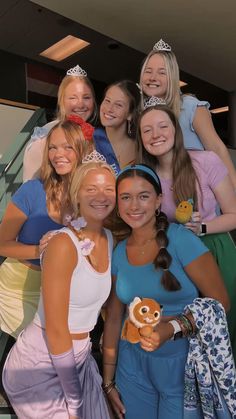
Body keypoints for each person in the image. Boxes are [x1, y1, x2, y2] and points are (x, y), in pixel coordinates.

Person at [102, 164, 231, 419]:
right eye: (125, 197)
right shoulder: (118, 252)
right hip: (132, 367)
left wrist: (170, 328)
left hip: (183, 367)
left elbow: (221, 303)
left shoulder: (182, 240)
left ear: (159, 200)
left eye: (144, 196)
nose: (134, 206)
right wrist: (108, 382)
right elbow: (115, 317)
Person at [3, 159, 116, 419]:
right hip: (40, 364)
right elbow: (56, 329)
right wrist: (74, 402)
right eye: (91, 189)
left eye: (109, 189)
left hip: (81, 359)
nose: (101, 196)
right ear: (76, 194)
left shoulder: (110, 239)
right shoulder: (63, 245)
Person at [137, 103, 236, 359]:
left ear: (175, 131)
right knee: (183, 331)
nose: (155, 134)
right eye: (147, 130)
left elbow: (233, 215)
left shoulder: (205, 161)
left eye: (162, 126)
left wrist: (201, 227)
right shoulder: (146, 176)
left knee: (222, 328)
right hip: (172, 260)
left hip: (214, 250)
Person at [0, 119, 93, 338]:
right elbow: (2, 244)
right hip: (15, 292)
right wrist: (40, 251)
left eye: (67, 147)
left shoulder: (91, 197)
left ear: (82, 149)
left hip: (62, 294)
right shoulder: (32, 190)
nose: (58, 153)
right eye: (53, 147)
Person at [139, 38, 236, 189]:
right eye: (148, 71)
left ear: (172, 77)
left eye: (162, 72)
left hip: (199, 193)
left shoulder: (190, 106)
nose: (153, 78)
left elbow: (217, 149)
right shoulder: (142, 115)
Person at [23, 64, 97, 181]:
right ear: (62, 101)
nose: (81, 104)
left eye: (86, 97)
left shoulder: (94, 136)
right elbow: (29, 186)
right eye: (73, 98)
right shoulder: (46, 135)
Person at [93, 80, 140, 174]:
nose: (109, 109)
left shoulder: (140, 149)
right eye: (107, 101)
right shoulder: (90, 140)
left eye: (118, 105)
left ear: (130, 114)